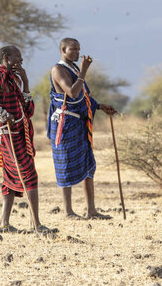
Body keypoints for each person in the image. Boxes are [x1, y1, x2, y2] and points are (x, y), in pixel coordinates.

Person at [0, 45, 52, 234]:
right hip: (8, 134)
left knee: (9, 178)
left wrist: (25, 81)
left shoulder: (15, 79)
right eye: (18, 56)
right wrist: (0, 113)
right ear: (6, 57)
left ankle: (4, 224)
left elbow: (28, 110)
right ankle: (36, 224)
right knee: (29, 175)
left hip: (20, 132)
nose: (21, 59)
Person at [47, 38, 117, 220]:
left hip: (79, 124)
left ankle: (91, 210)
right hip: (65, 125)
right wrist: (85, 71)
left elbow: (84, 97)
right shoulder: (58, 69)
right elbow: (72, 93)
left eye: (79, 50)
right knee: (65, 165)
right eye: (73, 50)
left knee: (88, 165)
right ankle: (68, 211)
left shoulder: (74, 69)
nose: (78, 53)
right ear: (63, 49)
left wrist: (100, 106)